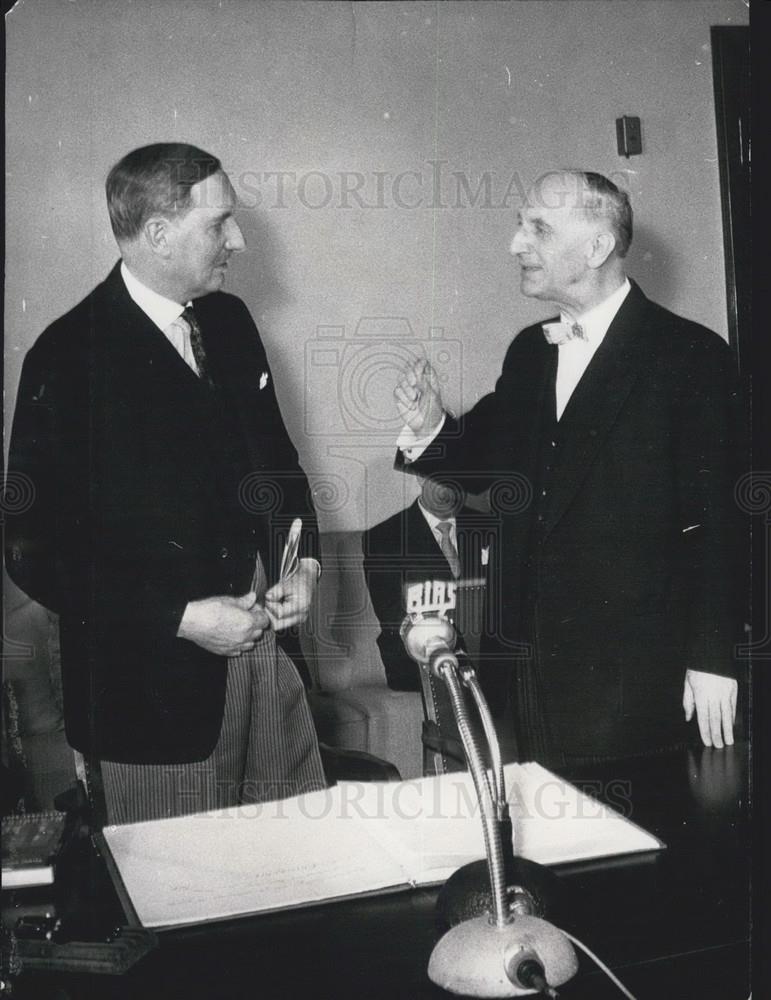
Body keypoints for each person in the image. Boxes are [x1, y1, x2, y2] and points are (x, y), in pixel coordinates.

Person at [6, 143, 326, 822]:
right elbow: (31, 549)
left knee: (296, 881)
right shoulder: (68, 358)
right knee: (179, 902)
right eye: (219, 225)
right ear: (158, 234)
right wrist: (180, 618)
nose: (237, 240)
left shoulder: (231, 325)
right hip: (149, 699)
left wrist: (306, 567)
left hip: (263, 664)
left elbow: (277, 468)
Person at [394, 169, 743, 767]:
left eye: (538, 228)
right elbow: (489, 460)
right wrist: (430, 426)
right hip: (525, 666)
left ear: (598, 247)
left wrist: (714, 659)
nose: (515, 244)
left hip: (635, 676)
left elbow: (726, 523)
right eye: (519, 225)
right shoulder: (530, 351)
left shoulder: (691, 355)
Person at [363, 477, 495, 772]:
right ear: (420, 476)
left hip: (485, 650)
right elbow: (391, 615)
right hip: (416, 658)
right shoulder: (384, 536)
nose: (450, 486)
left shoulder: (489, 527)